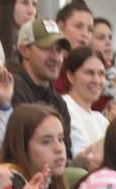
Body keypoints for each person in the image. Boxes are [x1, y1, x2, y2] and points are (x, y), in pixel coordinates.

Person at [8, 18, 71, 154]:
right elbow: (21, 150)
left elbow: (66, 152)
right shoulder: (11, 87)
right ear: (24, 50)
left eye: (59, 51)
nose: (56, 58)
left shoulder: (58, 101)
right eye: (47, 49)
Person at [61, 46, 109, 163]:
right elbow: (80, 159)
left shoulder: (101, 119)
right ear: (70, 76)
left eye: (101, 74)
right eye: (89, 73)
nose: (97, 80)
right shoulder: (64, 107)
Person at [0, 0, 36, 67]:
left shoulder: (30, 40)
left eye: (34, 4)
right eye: (24, 3)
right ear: (9, 6)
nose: (31, 11)